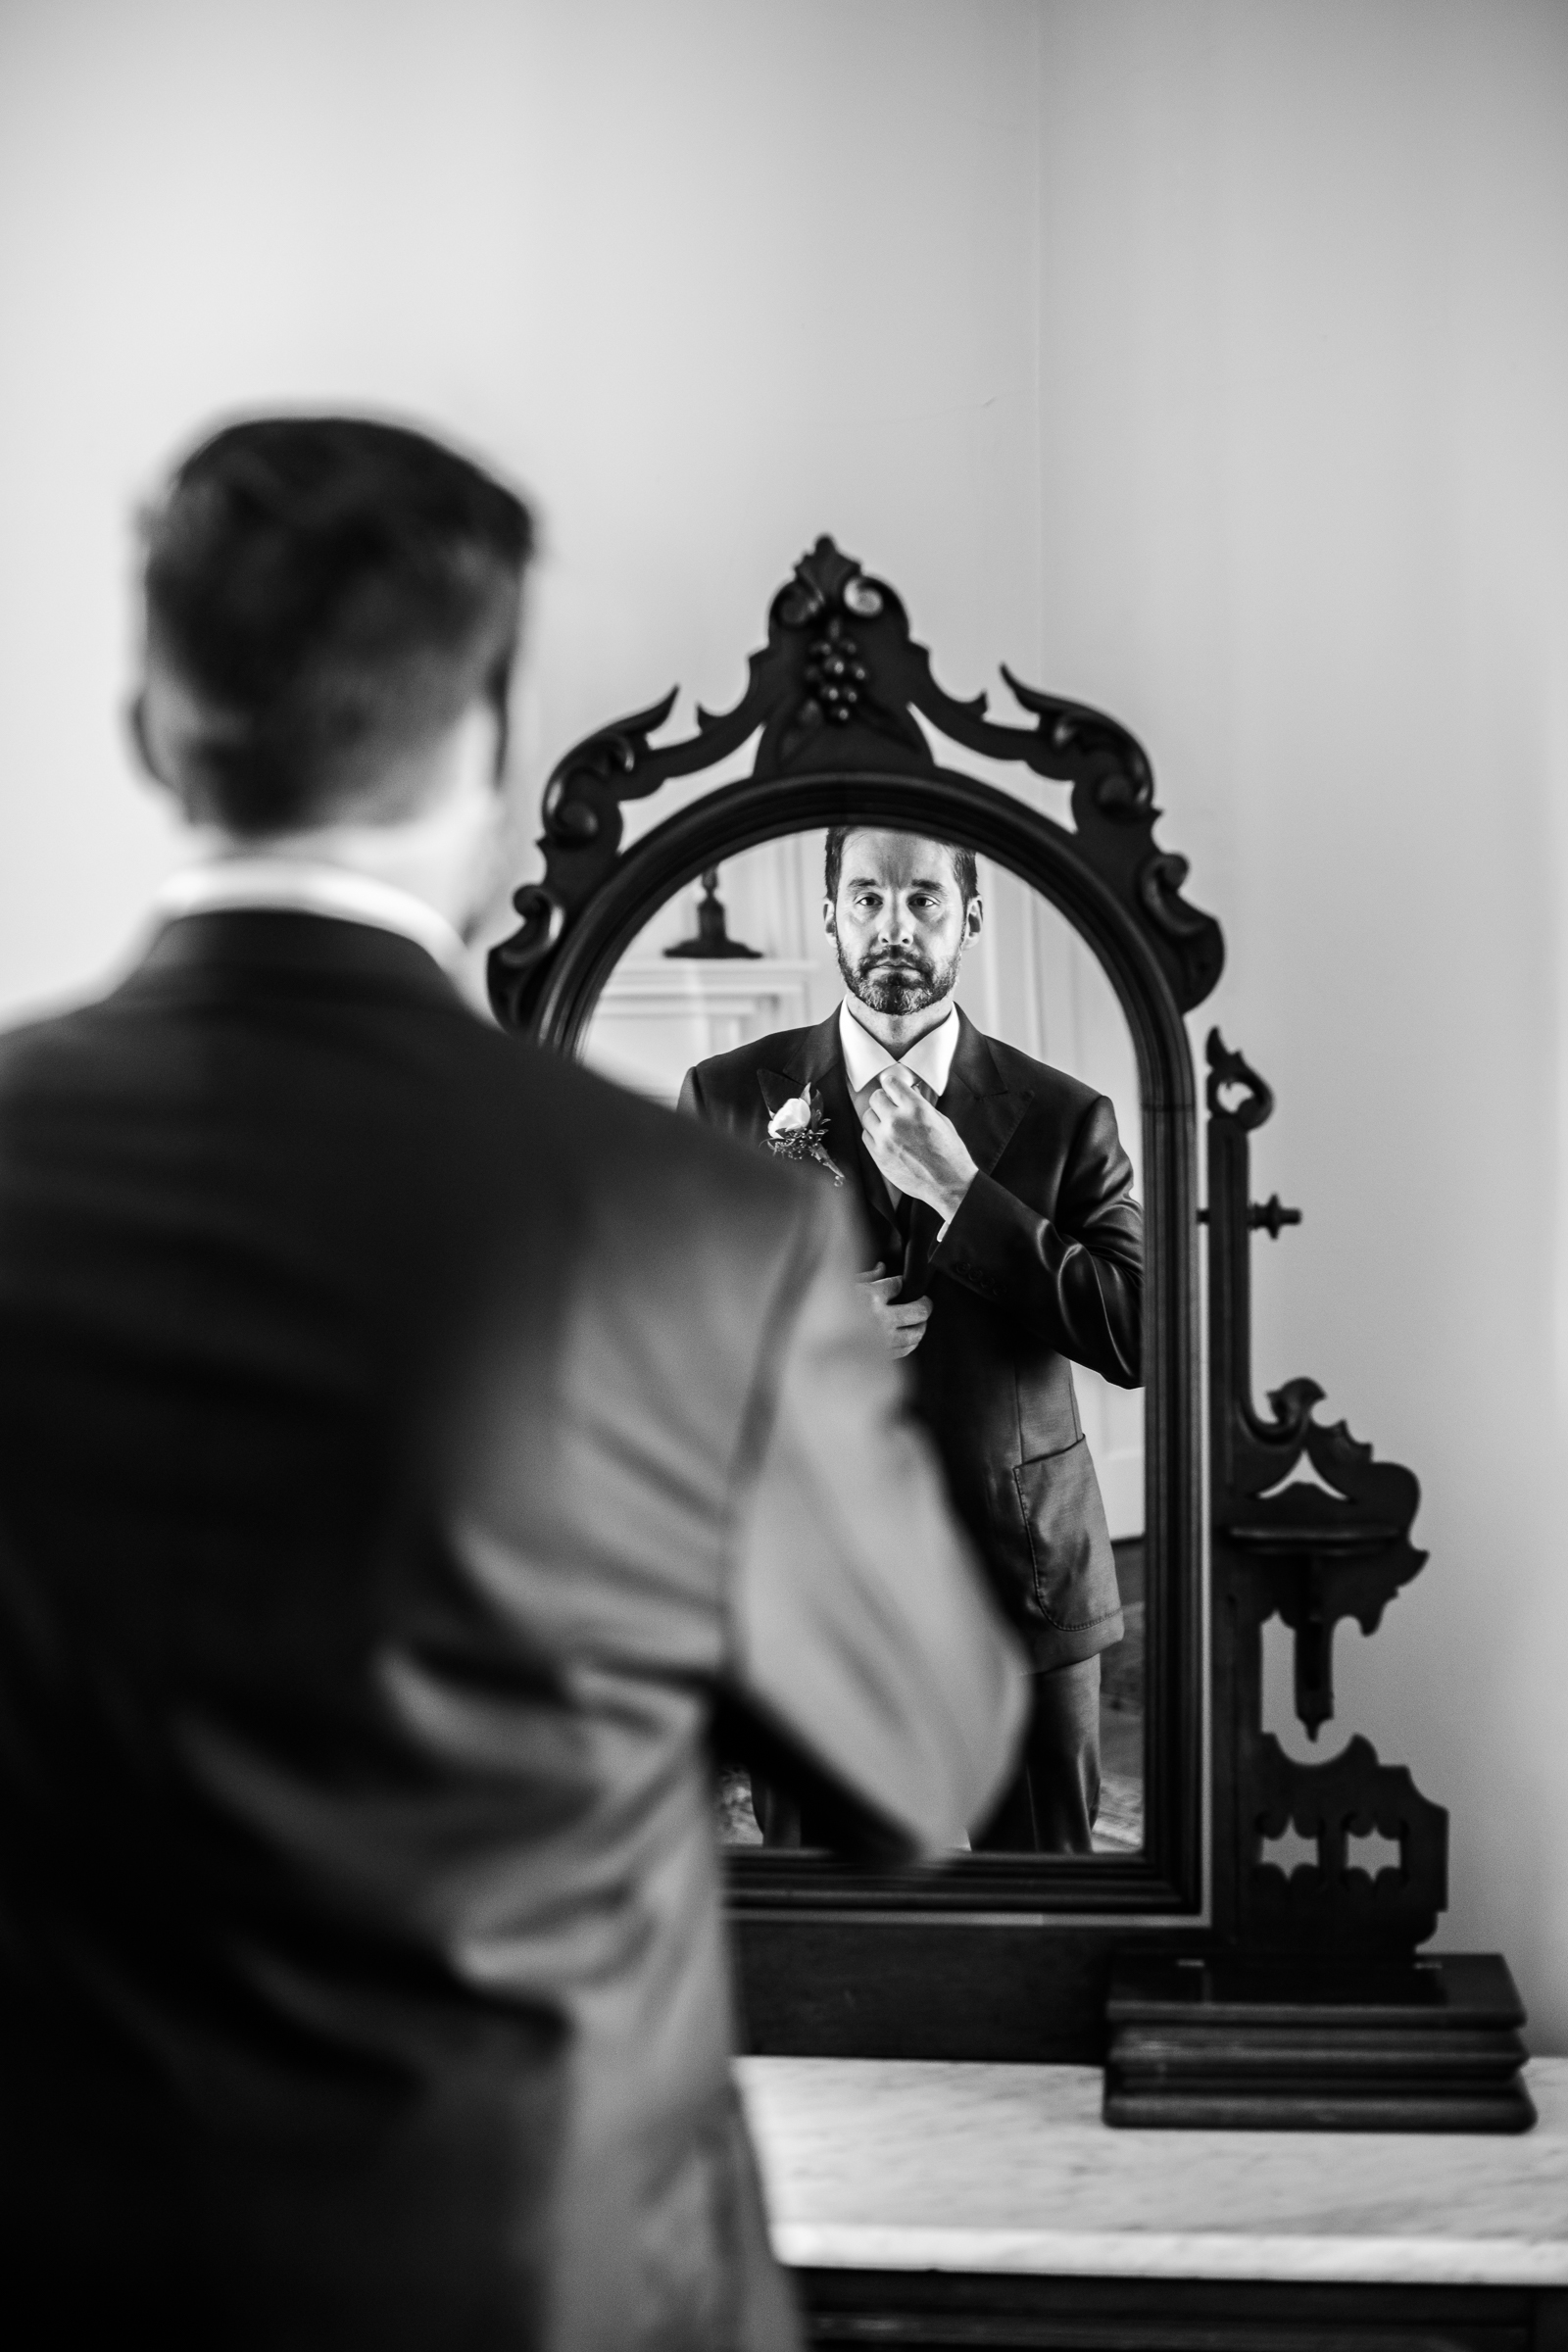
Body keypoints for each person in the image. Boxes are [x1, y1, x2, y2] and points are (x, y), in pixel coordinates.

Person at [0, 420, 1028, 2350]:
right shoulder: (697, 1231)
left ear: (154, 729)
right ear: (485, 745)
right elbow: (916, 1761)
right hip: (541, 2287)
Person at [680, 827, 1142, 1855]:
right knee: (826, 1931)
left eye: (924, 900)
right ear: (830, 912)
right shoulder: (724, 1097)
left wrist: (961, 1193)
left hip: (1027, 1576)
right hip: (806, 1580)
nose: (895, 927)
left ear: (970, 915)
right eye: (868, 899)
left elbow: (1136, 1330)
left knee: (1046, 1918)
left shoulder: (1070, 1120)